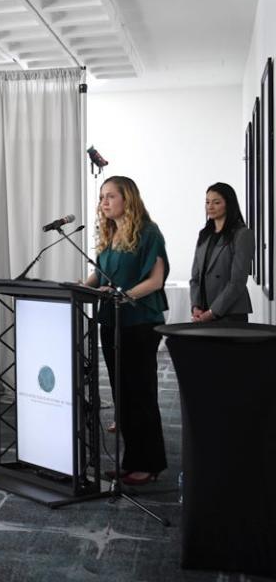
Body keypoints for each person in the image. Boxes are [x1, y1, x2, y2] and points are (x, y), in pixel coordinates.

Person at [84, 176, 169, 486]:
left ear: (127, 199)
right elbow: (98, 274)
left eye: (110, 196)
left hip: (140, 323)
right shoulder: (110, 232)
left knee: (141, 394)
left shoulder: (149, 232)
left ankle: (151, 462)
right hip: (112, 321)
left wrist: (124, 295)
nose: (103, 202)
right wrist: (81, 286)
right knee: (122, 395)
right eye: (102, 197)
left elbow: (155, 280)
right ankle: (131, 460)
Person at [190, 182, 254, 323]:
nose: (210, 207)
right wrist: (196, 306)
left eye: (216, 202)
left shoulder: (242, 234)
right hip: (204, 311)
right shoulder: (204, 234)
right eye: (207, 202)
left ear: (228, 204)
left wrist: (213, 312)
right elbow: (195, 277)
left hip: (230, 313)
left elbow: (237, 282)